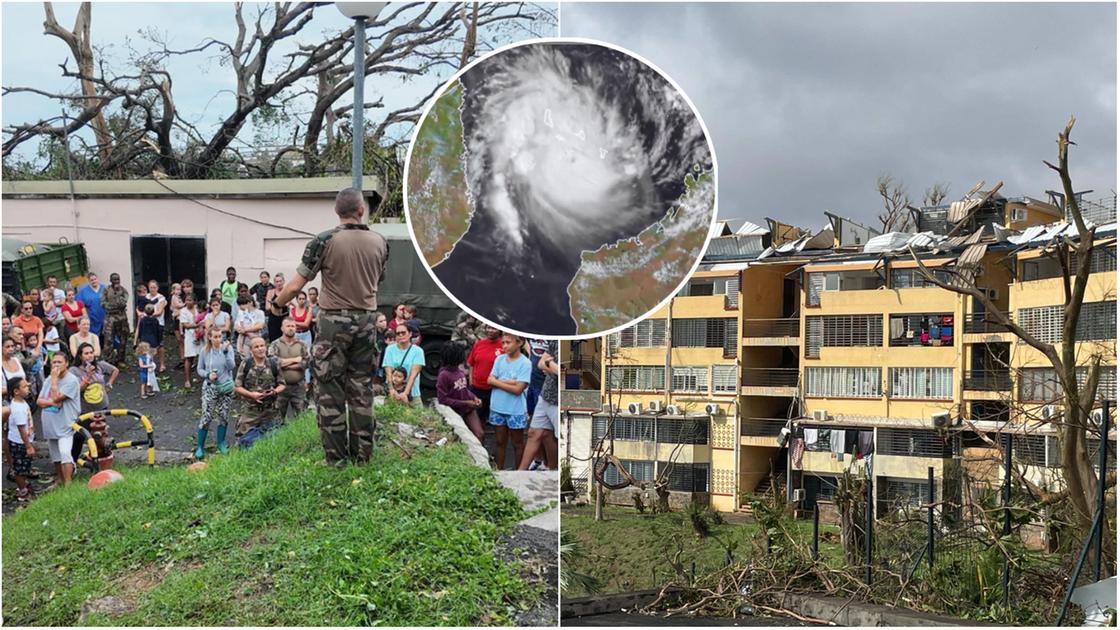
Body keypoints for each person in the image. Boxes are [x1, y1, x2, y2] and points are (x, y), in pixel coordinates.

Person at [271, 187, 388, 465]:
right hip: (367, 319)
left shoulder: (324, 240)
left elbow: (297, 284)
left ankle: (336, 459)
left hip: (333, 322)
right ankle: (363, 456)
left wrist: (277, 303)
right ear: (361, 210)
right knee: (362, 388)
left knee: (330, 389)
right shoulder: (380, 241)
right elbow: (378, 280)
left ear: (337, 211)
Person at [68, 342, 119, 463]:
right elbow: (76, 390)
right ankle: (72, 462)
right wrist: (88, 375)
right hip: (85, 410)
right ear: (80, 356)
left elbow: (115, 370)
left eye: (91, 352)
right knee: (80, 436)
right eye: (86, 353)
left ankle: (100, 461)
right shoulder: (74, 371)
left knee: (99, 435)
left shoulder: (100, 365)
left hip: (101, 407)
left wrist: (109, 384)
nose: (90, 355)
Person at [487, 333, 531, 470]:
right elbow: (489, 380)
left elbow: (518, 389)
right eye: (503, 343)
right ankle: (499, 470)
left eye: (508, 342)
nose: (505, 346)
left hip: (515, 409)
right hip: (497, 407)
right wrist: (511, 382)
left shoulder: (525, 363)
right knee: (500, 442)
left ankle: (519, 472)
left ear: (519, 343)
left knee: (517, 443)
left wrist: (498, 382)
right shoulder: (499, 359)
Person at [38, 352, 80, 486]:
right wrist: (51, 403)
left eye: (59, 362)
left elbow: (57, 397)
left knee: (65, 453)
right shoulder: (48, 379)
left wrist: (55, 381)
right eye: (54, 362)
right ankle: (60, 480)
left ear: (66, 364)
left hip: (65, 424)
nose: (56, 365)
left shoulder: (72, 380)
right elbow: (39, 401)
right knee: (55, 456)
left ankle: (68, 483)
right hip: (50, 423)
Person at [234, 337, 285, 445]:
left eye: (262, 346)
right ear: (251, 350)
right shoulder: (246, 364)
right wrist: (251, 395)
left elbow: (282, 384)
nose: (260, 349)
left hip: (270, 411)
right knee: (243, 440)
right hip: (250, 411)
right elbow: (237, 387)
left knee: (273, 440)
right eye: (256, 347)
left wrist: (274, 392)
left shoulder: (273, 363)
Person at [195, 328, 236, 458]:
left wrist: (225, 352)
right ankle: (200, 446)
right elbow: (199, 369)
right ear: (210, 337)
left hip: (225, 387)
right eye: (216, 337)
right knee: (207, 416)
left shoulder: (227, 349)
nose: (218, 339)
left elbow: (231, 366)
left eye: (220, 336)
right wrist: (208, 374)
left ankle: (221, 443)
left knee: (223, 415)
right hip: (210, 387)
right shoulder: (204, 351)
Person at [519, 340, 559, 471]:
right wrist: (550, 365)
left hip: (560, 401)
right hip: (545, 394)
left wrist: (549, 364)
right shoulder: (555, 340)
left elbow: (562, 372)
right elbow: (541, 363)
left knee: (558, 438)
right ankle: (520, 473)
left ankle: (553, 472)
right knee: (534, 433)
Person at [436, 341, 484, 441]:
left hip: (467, 409)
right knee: (460, 439)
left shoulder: (459, 371)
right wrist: (466, 403)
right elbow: (442, 399)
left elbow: (464, 389)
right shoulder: (444, 375)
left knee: (479, 434)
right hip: (454, 412)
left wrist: (474, 398)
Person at [268, 318, 308, 421]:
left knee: (302, 418)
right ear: (282, 328)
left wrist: (285, 364)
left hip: (299, 387)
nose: (291, 328)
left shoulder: (302, 344)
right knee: (277, 420)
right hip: (280, 387)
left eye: (293, 326)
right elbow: (274, 363)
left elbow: (306, 362)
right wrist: (295, 360)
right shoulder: (275, 344)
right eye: (288, 326)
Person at [467, 325, 504, 428]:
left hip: (495, 390)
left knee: (496, 422)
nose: (490, 331)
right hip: (476, 389)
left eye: (494, 328)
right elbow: (471, 364)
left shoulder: (504, 346)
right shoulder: (479, 344)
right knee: (476, 421)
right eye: (488, 328)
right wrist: (471, 382)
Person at [6, 377, 36, 502]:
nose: (28, 387)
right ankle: (23, 491)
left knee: (25, 466)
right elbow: (21, 429)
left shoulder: (22, 403)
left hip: (23, 441)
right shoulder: (17, 408)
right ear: (16, 391)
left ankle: (24, 485)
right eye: (24, 386)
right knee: (20, 468)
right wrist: (28, 445)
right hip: (20, 442)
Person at [382, 321, 425, 406]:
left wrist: (406, 393)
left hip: (412, 393)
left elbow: (414, 374)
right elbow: (388, 371)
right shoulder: (389, 349)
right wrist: (391, 389)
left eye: (403, 332)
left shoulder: (418, 351)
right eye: (398, 333)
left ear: (410, 334)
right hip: (393, 393)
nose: (401, 335)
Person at [102, 273, 130, 366]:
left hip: (121, 317)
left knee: (123, 339)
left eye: (118, 279)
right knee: (108, 340)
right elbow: (103, 303)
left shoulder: (123, 290)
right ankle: (108, 360)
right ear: (111, 281)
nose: (116, 281)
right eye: (114, 279)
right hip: (110, 318)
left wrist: (113, 305)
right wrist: (112, 307)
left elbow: (122, 303)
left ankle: (120, 359)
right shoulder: (106, 290)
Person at [178, 292, 201, 390]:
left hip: (200, 335)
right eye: (187, 300)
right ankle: (187, 380)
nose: (188, 302)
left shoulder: (198, 308)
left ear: (194, 301)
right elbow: (185, 325)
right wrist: (198, 325)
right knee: (189, 358)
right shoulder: (183, 311)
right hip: (190, 335)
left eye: (190, 300)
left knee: (203, 356)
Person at [146, 280, 168, 372]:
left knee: (160, 344)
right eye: (151, 287)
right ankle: (150, 363)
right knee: (149, 344)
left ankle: (162, 364)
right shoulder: (146, 297)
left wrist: (149, 314)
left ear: (157, 288)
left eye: (154, 287)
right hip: (148, 324)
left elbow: (159, 312)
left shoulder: (161, 298)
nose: (152, 289)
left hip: (158, 324)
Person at [75, 273, 107, 338]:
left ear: (97, 279)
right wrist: (84, 313)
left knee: (107, 334)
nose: (94, 281)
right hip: (93, 317)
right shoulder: (84, 291)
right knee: (95, 335)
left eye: (95, 279)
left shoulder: (104, 288)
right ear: (89, 281)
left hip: (105, 315)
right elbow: (78, 302)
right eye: (92, 280)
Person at [2, 338, 26, 403]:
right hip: (6, 402)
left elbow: (24, 379)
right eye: (7, 347)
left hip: (21, 400)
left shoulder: (16, 360)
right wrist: (16, 389)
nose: (11, 349)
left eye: (12, 346)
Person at [265, 272, 287, 342]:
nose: (279, 283)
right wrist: (279, 305)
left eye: (280, 281)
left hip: (284, 318)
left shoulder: (286, 291)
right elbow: (267, 307)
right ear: (274, 283)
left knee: (285, 339)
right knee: (273, 340)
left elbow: (289, 304)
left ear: (283, 282)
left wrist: (275, 304)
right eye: (277, 281)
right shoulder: (271, 292)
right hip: (273, 318)